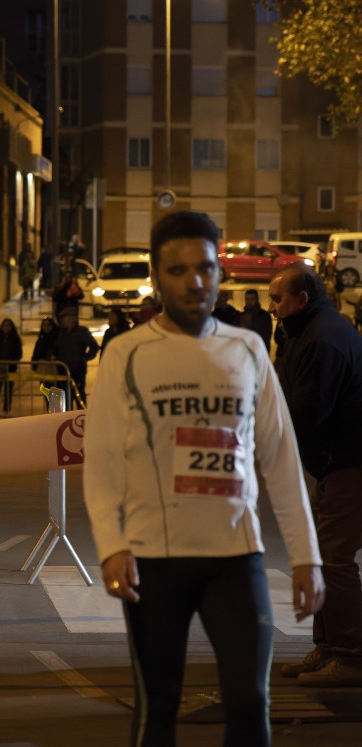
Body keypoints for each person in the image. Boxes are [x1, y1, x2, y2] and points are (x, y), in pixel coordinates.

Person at [84, 211, 324, 746]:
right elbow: (101, 462)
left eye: (206, 267)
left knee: (249, 702)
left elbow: (281, 458)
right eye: (178, 270)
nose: (195, 280)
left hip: (236, 561)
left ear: (220, 272)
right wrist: (112, 544)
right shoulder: (126, 354)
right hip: (154, 559)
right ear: (157, 274)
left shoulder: (248, 350)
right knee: (159, 707)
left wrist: (306, 556)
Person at [269, 263, 362, 687]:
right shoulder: (308, 330)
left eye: (277, 299)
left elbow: (307, 411)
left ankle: (350, 656)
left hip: (348, 462)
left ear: (301, 299)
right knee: (324, 555)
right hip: (335, 462)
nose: (272, 308)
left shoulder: (323, 338)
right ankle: (328, 649)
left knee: (334, 559)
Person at [52, 306, 99, 407]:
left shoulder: (82, 332)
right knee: (66, 398)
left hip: (77, 370)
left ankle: (81, 419)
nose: (62, 320)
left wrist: (85, 358)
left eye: (65, 317)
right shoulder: (61, 332)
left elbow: (94, 347)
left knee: (79, 396)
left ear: (72, 318)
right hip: (63, 370)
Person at [0, 317, 21, 415]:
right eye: (4, 325)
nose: (6, 327)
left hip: (10, 369)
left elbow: (18, 353)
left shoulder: (15, 340)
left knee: (8, 390)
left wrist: (13, 362)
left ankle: (6, 409)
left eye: (8, 325)